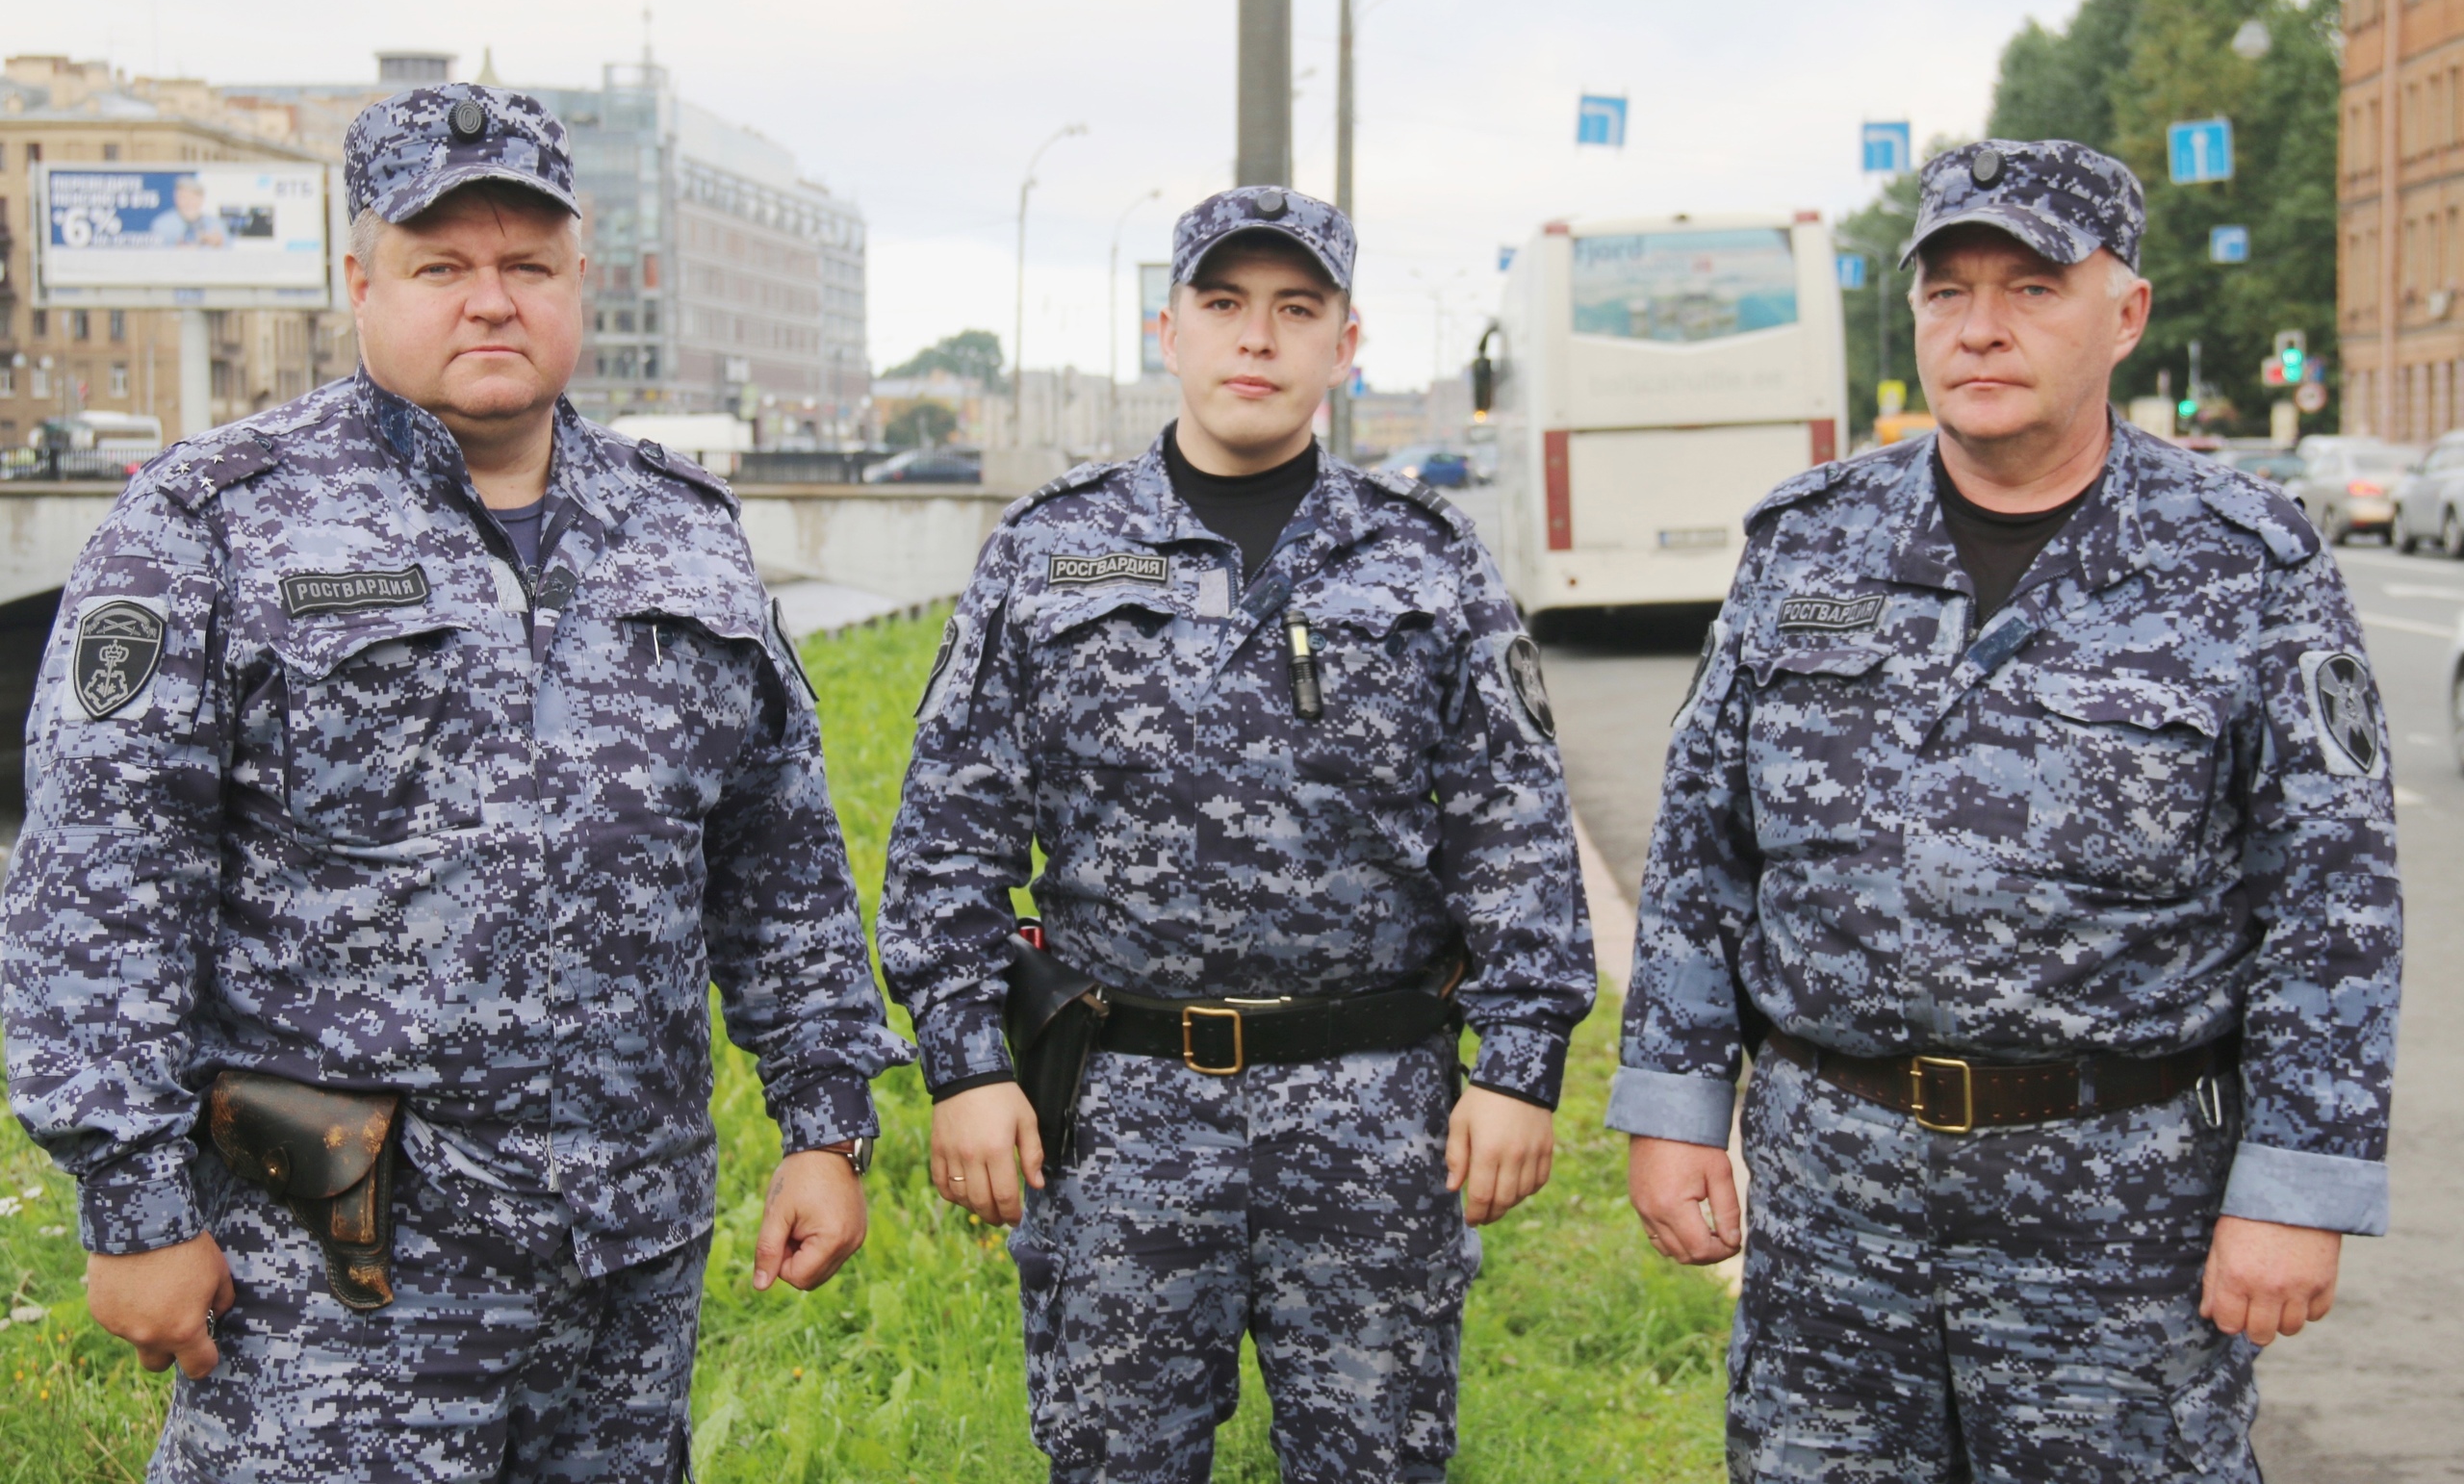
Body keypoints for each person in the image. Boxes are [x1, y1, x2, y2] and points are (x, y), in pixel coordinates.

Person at [1, 83, 911, 1481]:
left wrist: (824, 1120)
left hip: (621, 1265)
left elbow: (776, 856)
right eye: (441, 264)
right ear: (360, 281)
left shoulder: (684, 534)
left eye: (526, 265)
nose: (489, 300)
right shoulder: (211, 524)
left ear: (578, 284)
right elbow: (98, 881)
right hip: (332, 1272)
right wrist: (129, 1200)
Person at [1609, 138, 2403, 1482]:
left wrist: (2298, 1184)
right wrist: (1676, 1102)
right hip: (1836, 1205)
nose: (1980, 327)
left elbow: (2333, 897)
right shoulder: (1809, 545)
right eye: (1949, 291)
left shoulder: (2243, 560)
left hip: (2122, 1219)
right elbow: (1701, 847)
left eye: (2032, 287)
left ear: (2127, 312)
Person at [876, 185, 1595, 1483]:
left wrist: (1521, 1061)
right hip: (1120, 1111)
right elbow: (948, 834)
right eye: (1223, 305)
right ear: (1169, 328)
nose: (1254, 339)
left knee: (1378, 1460)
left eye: (1294, 309)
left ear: (1346, 344)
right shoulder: (1052, 553)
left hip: (1373, 1109)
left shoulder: (1425, 560)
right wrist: (965, 1063)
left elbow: (1514, 831)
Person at [150, 174, 227, 247]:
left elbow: (231, 249)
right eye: (184, 197)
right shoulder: (162, 224)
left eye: (192, 197)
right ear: (176, 198)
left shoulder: (216, 223)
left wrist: (218, 245)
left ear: (201, 199)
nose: (188, 202)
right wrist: (176, 250)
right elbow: (153, 253)